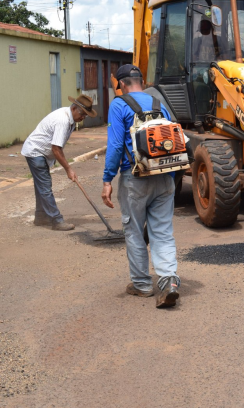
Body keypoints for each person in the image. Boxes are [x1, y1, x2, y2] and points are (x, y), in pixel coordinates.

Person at [101, 64, 181, 308]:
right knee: (162, 231)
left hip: (135, 178)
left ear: (121, 84)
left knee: (134, 230)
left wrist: (107, 179)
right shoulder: (159, 103)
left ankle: (142, 285)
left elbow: (115, 146)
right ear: (141, 81)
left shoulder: (119, 104)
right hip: (165, 176)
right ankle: (168, 281)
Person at [21, 94, 96, 230]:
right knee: (45, 187)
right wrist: (68, 169)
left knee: (42, 186)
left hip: (41, 152)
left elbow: (56, 147)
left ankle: (41, 216)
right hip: (35, 151)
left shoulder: (70, 119)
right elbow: (56, 148)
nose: (83, 118)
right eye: (82, 114)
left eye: (85, 115)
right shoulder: (63, 120)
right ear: (74, 109)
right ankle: (56, 220)